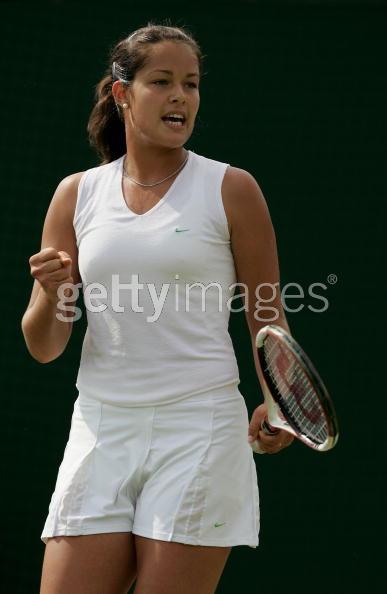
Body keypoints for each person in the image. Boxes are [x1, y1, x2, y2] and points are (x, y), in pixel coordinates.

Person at [21, 22, 293, 594]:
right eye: (162, 81)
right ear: (123, 94)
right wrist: (53, 293)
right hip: (100, 427)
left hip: (200, 428)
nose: (180, 97)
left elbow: (267, 317)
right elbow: (44, 346)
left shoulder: (232, 188)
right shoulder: (76, 194)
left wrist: (281, 403)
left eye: (191, 84)